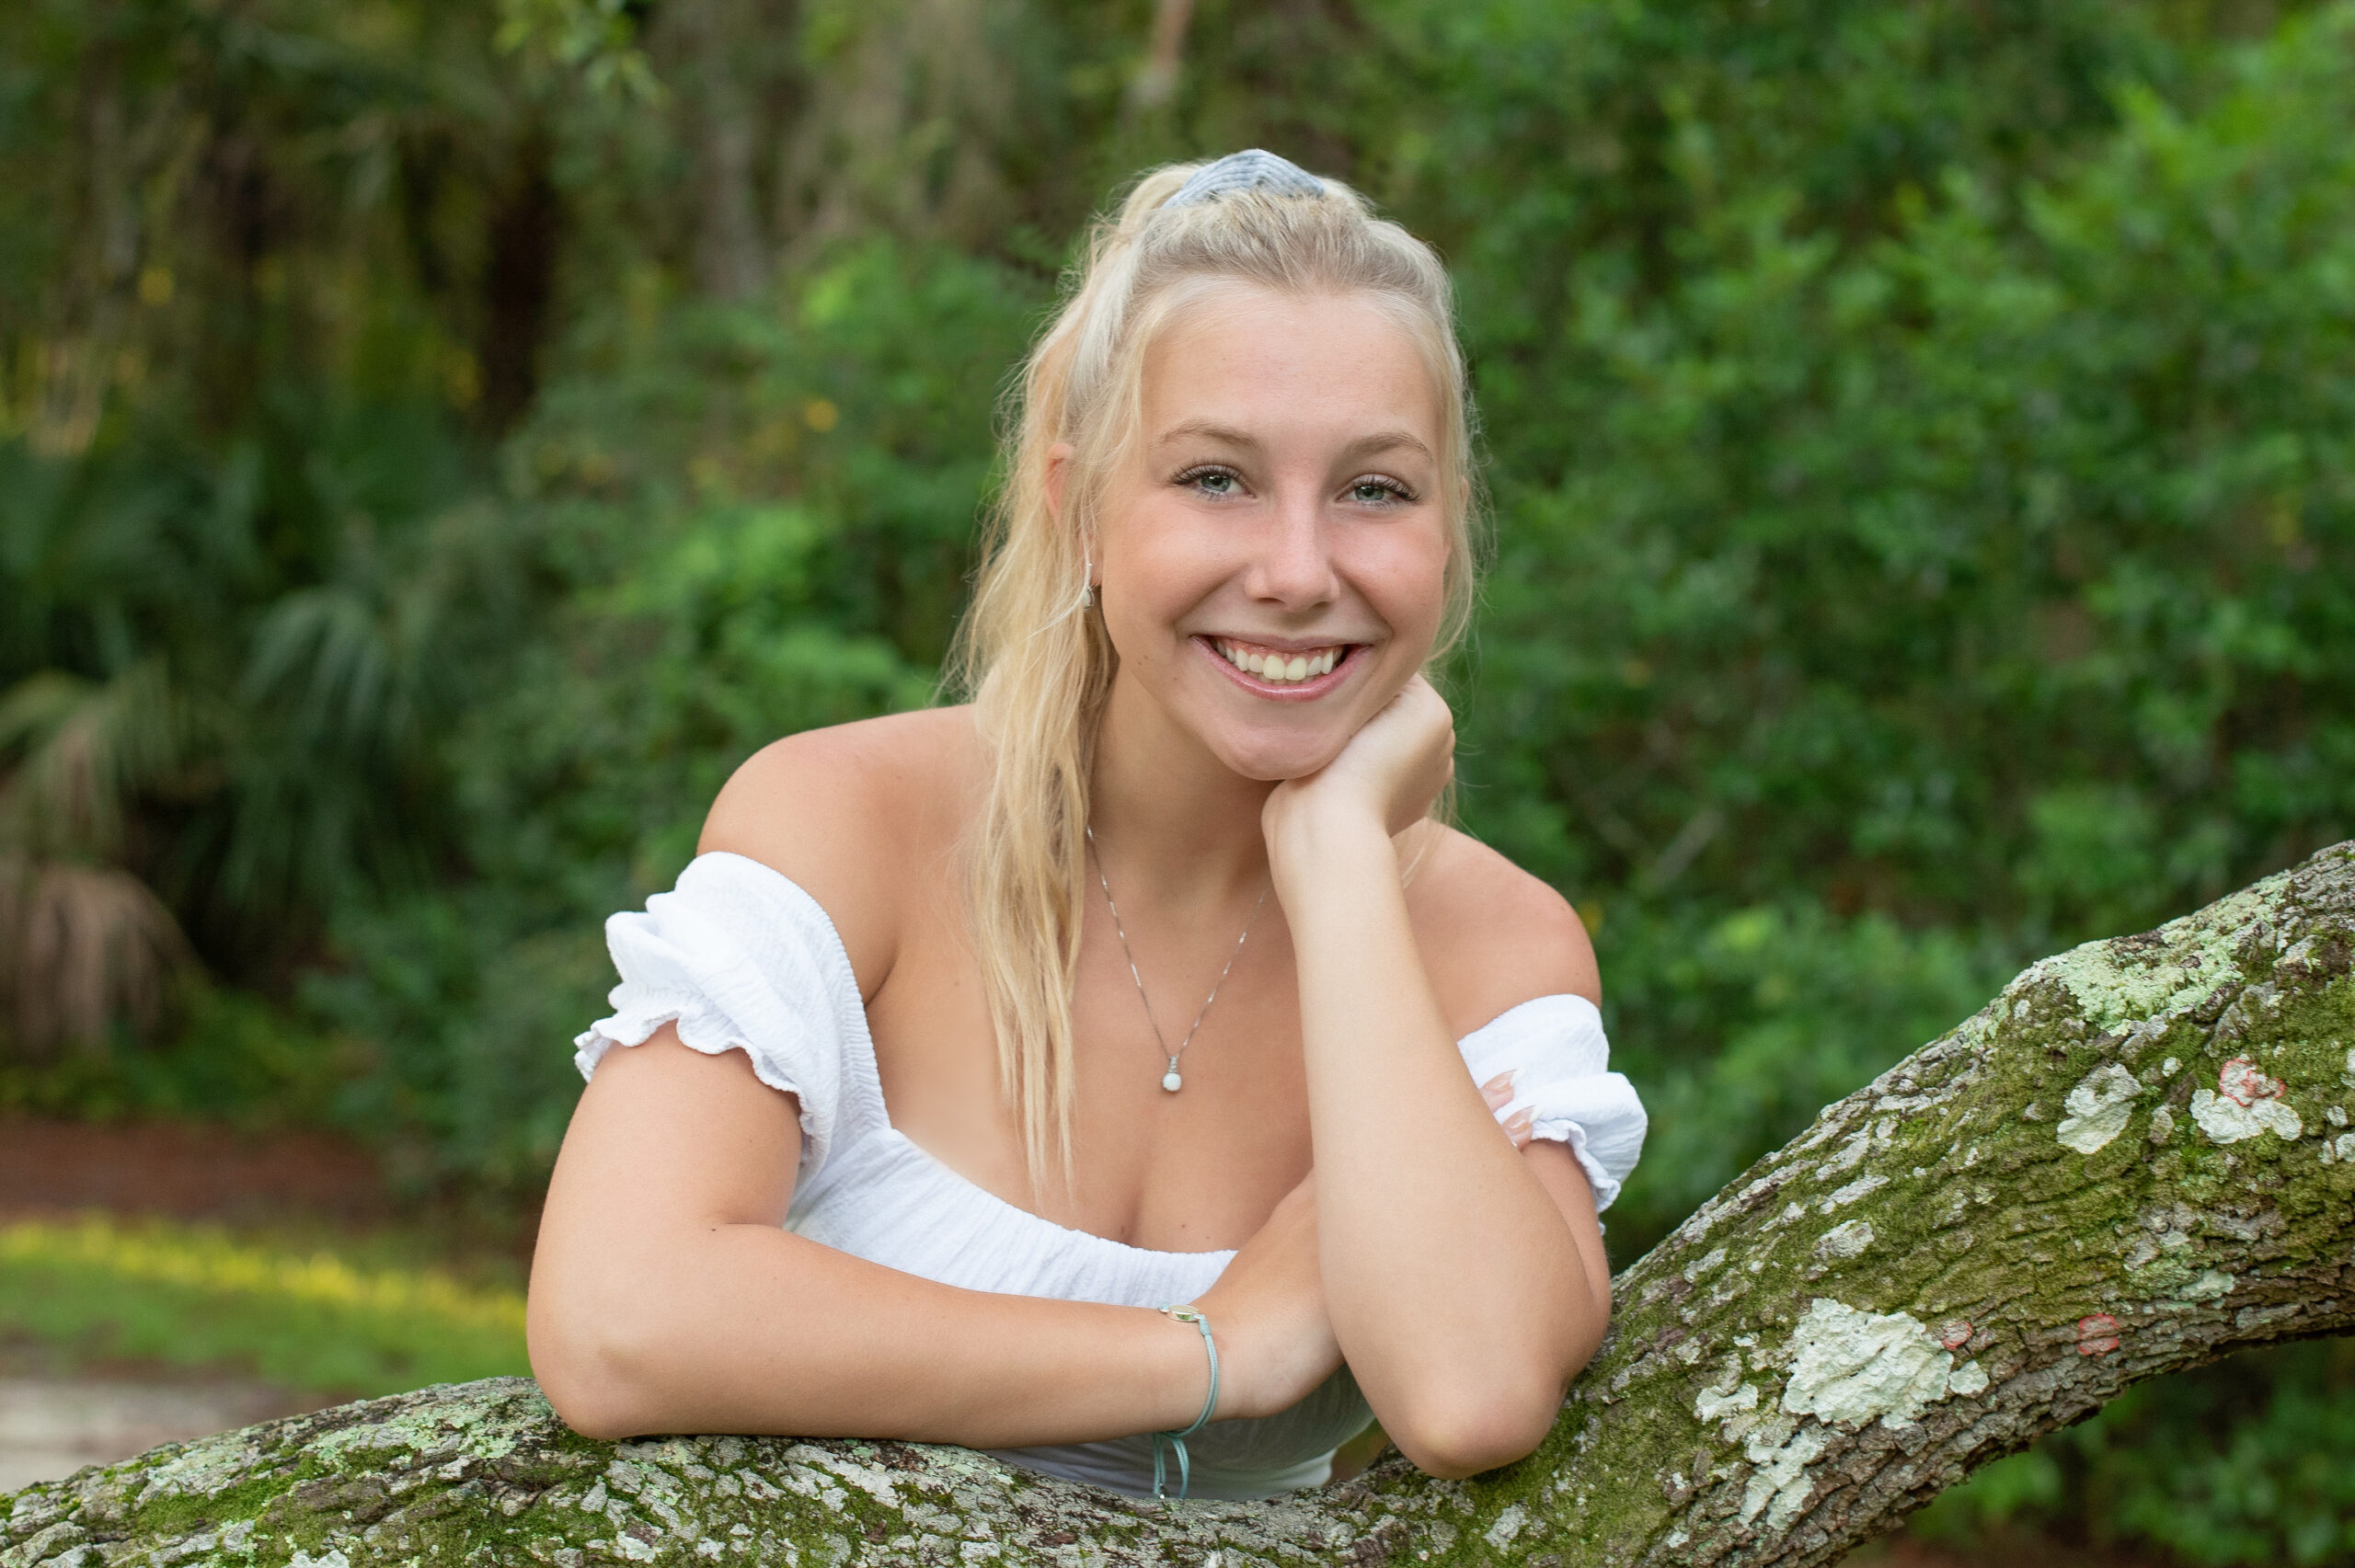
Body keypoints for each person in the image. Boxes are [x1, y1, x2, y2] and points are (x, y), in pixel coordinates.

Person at [526, 150, 1647, 1502]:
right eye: (1216, 478)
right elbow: (616, 1318)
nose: (1299, 571)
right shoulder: (854, 822)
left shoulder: (1494, 947)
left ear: (1447, 529)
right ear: (1078, 505)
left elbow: (1473, 1391)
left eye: (1374, 489)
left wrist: (1343, 857)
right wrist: (1212, 1350)